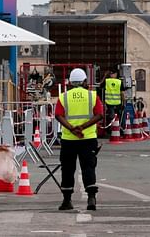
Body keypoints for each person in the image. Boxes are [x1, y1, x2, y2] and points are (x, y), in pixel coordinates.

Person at [55, 67, 103, 211]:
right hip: (88, 138)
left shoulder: (64, 97)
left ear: (69, 82)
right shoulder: (92, 96)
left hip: (69, 139)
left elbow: (58, 115)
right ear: (85, 81)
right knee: (88, 167)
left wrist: (71, 128)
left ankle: (67, 200)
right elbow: (99, 114)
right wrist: (82, 127)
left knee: (68, 169)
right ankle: (91, 198)